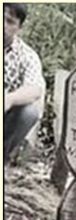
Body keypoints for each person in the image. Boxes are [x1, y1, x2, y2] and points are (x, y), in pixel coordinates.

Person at [4, 3, 44, 165]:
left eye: (9, 21)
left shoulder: (27, 56)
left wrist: (9, 99)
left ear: (19, 28)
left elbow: (34, 88)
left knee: (29, 112)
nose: (3, 25)